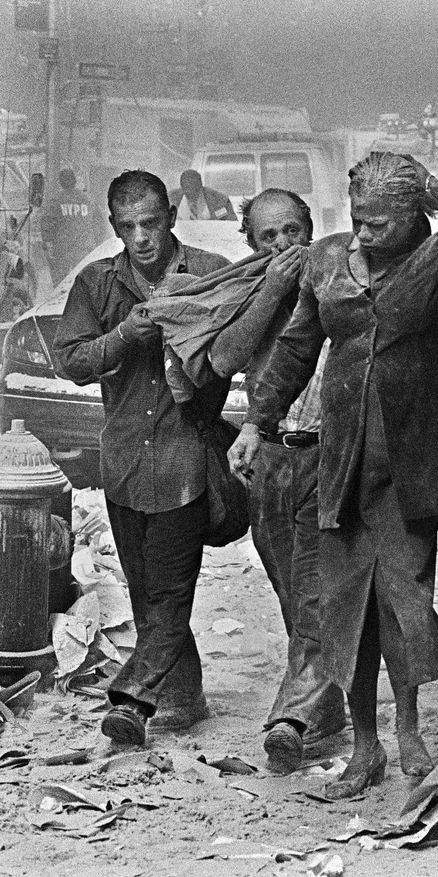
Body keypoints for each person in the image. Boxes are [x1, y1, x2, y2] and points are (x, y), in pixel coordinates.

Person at [227, 153, 438, 798]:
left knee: (404, 602)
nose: (366, 235)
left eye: (382, 224)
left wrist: (434, 187)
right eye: (359, 220)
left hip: (411, 465)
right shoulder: (326, 261)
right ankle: (365, 745)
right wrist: (255, 422)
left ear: (414, 219)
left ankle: (409, 727)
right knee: (344, 609)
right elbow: (299, 347)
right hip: (345, 463)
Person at [53, 170, 232, 746]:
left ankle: (135, 700)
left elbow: (246, 345)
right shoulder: (97, 283)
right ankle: (186, 691)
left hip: (187, 452)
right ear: (113, 227)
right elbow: (72, 362)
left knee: (171, 586)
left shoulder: (207, 274)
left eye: (150, 223)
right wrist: (127, 335)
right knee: (142, 586)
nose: (141, 238)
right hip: (126, 456)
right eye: (128, 226)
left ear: (171, 218)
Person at [189, 188, 344, 772]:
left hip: (333, 455)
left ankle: (294, 716)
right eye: (267, 237)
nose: (283, 245)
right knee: (292, 592)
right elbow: (223, 360)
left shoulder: (339, 275)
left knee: (314, 589)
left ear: (310, 227)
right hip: (273, 459)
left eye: (291, 232)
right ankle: (325, 701)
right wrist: (275, 286)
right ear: (251, 244)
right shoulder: (253, 288)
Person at [40, 169, 101, 283]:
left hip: (62, 250)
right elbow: (99, 223)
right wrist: (96, 243)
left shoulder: (56, 200)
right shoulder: (88, 199)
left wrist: (47, 243)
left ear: (60, 182)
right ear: (75, 181)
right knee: (85, 284)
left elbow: (47, 223)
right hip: (84, 249)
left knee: (60, 286)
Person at [171, 169, 236, 222]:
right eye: (187, 189)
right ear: (181, 186)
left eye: (194, 188)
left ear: (200, 185)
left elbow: (231, 223)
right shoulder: (170, 199)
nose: (190, 193)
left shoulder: (219, 200)